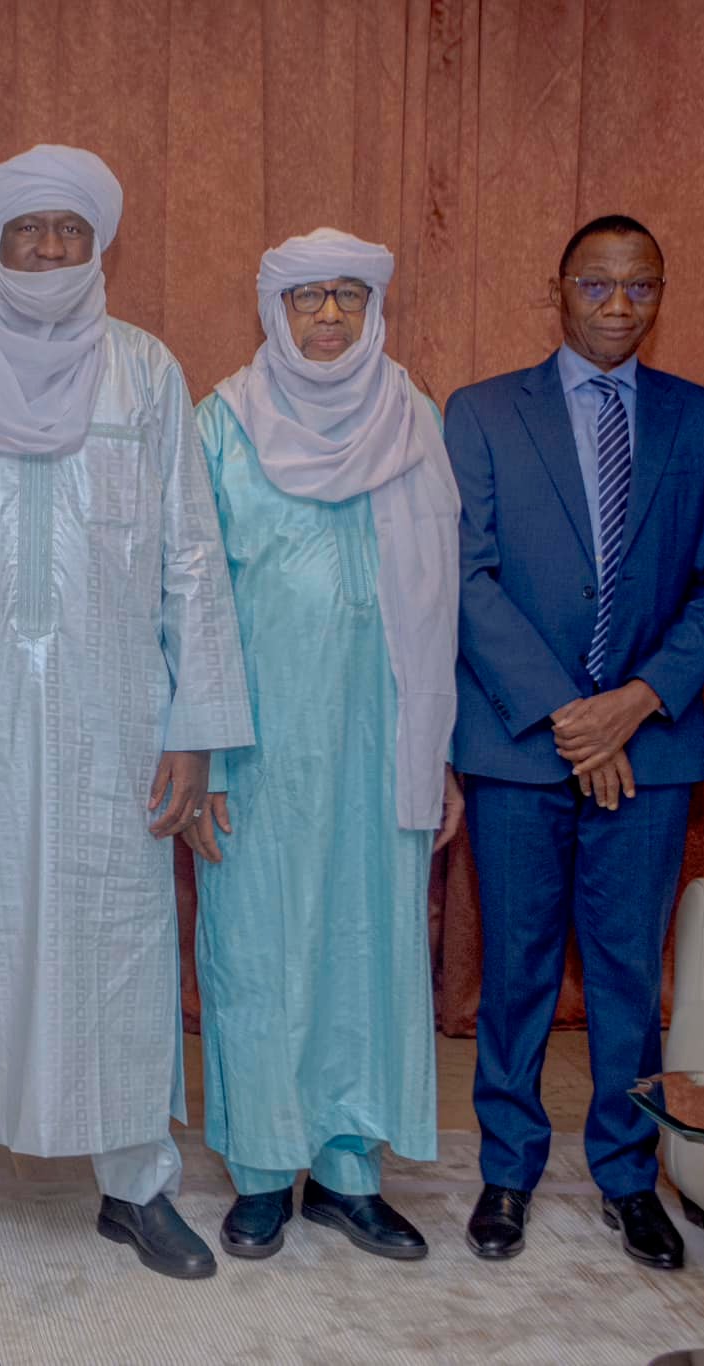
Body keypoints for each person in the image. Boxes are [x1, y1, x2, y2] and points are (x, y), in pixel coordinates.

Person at [0, 146, 253, 1278]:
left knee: (120, 938)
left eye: (69, 231)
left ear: (100, 244)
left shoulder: (141, 372)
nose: (47, 249)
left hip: (115, 714)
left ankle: (134, 1182)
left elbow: (192, 554)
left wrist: (193, 725)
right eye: (26, 229)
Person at [449, 214, 704, 1268]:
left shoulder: (700, 418)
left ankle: (630, 1178)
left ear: (658, 295)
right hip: (517, 743)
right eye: (597, 286)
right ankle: (505, 1170)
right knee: (518, 966)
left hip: (651, 743)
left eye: (639, 288)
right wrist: (567, 715)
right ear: (557, 291)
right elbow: (465, 574)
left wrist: (635, 699)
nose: (618, 306)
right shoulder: (482, 412)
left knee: (628, 972)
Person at [189, 228, 461, 1261]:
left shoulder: (414, 416)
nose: (328, 317)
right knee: (259, 948)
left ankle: (346, 1170)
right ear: (273, 311)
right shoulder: (220, 422)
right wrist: (201, 750)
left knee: (367, 946)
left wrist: (435, 751)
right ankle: (261, 1169)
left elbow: (442, 601)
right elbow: (191, 599)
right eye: (306, 299)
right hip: (256, 743)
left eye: (347, 295)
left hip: (381, 736)